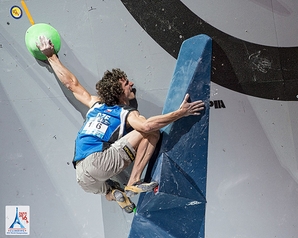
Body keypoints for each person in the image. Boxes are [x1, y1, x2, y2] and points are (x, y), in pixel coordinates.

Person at [36, 35, 205, 212]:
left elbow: (71, 84)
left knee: (110, 189)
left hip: (81, 175)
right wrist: (181, 113)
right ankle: (134, 181)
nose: (131, 84)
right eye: (126, 83)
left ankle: (117, 193)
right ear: (119, 92)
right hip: (99, 163)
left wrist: (50, 56)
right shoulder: (125, 112)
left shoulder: (95, 104)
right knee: (152, 132)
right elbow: (147, 126)